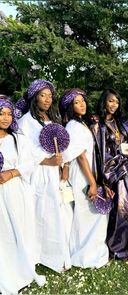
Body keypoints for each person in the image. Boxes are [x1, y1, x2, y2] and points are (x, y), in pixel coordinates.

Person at [17, 79, 72, 272]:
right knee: (37, 213)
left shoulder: (53, 120)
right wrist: (47, 161)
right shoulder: (25, 123)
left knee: (56, 214)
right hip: (37, 174)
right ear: (34, 97)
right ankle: (35, 255)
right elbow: (25, 152)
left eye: (50, 96)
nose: (47, 100)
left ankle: (56, 257)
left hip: (55, 174)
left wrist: (64, 166)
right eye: (43, 95)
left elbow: (63, 145)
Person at [90, 88, 128, 261]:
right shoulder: (98, 125)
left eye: (116, 102)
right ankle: (118, 248)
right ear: (104, 102)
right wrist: (113, 168)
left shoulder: (122, 122)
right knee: (121, 210)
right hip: (115, 171)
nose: (114, 105)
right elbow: (100, 154)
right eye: (110, 101)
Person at [59, 88, 109, 268]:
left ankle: (90, 253)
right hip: (83, 175)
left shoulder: (81, 124)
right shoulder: (74, 126)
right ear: (70, 107)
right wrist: (93, 183)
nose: (82, 105)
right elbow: (80, 157)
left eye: (83, 101)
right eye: (77, 103)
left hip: (86, 172)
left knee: (90, 215)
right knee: (88, 214)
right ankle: (85, 256)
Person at [0, 95, 45, 294]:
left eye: (9, 114)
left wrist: (12, 172)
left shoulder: (18, 139)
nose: (6, 118)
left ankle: (18, 270)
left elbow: (29, 162)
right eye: (1, 114)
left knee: (15, 231)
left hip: (14, 190)